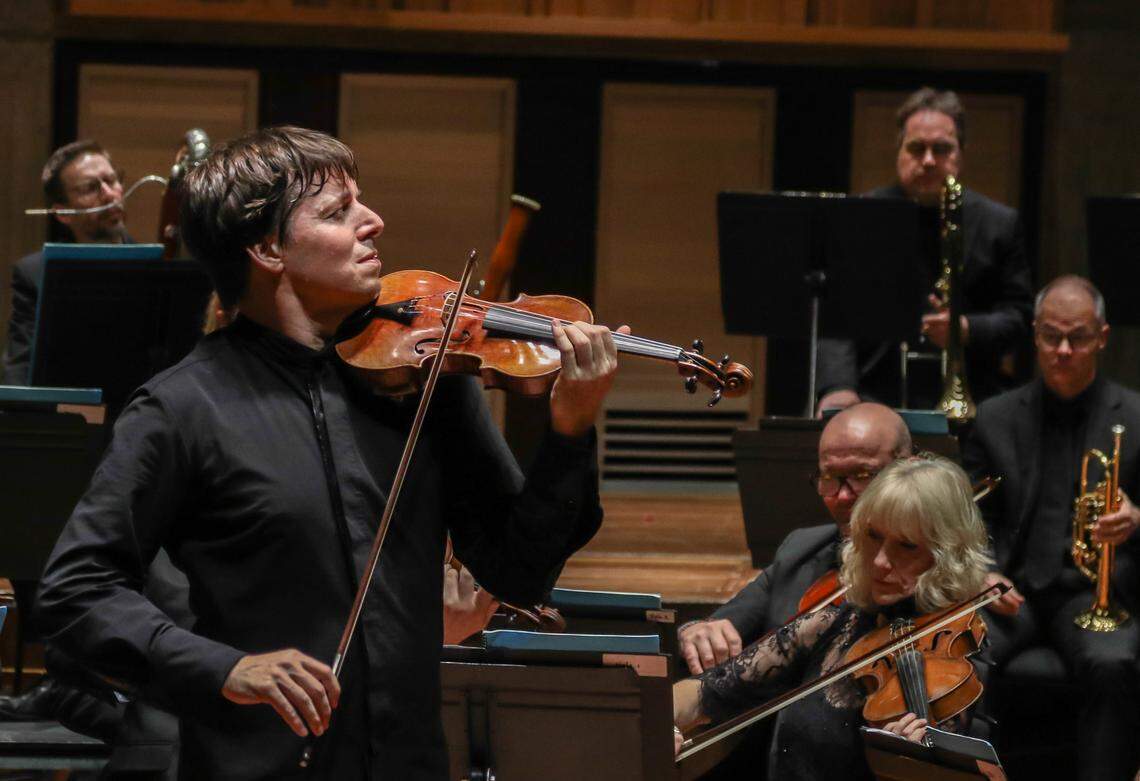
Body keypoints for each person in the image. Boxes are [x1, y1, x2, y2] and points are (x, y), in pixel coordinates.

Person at [35, 125, 623, 780]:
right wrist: (223, 666)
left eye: (360, 202)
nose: (373, 221)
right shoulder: (184, 408)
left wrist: (569, 431)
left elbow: (518, 569)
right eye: (338, 211)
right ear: (265, 247)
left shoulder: (427, 385)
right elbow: (75, 591)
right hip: (257, 766)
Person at [673, 455, 993, 780]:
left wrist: (906, 764)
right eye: (873, 536)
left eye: (906, 546)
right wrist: (663, 724)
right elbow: (712, 690)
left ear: (945, 556)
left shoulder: (962, 654)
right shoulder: (837, 618)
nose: (881, 561)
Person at [962, 274, 1140, 781]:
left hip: (1092, 594)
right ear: (1034, 335)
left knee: (1114, 664)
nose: (1063, 349)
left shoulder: (1138, 417)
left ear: (1102, 337)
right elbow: (971, 518)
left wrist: (1137, 517)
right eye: (1050, 336)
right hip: (1008, 589)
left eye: (1078, 337)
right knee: (962, 652)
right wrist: (982, 573)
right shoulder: (994, 418)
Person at [816, 87, 1033, 414]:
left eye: (942, 149)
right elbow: (835, 313)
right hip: (874, 392)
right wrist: (837, 387)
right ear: (898, 151)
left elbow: (1020, 318)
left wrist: (967, 330)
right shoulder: (862, 215)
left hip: (976, 399)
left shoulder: (998, 224)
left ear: (962, 153)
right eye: (917, 148)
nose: (929, 160)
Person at [678, 402, 912, 675]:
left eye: (862, 475)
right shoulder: (801, 548)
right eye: (829, 477)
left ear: (908, 468)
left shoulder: (937, 562)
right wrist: (695, 631)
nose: (844, 496)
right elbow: (722, 622)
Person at [3, 140, 129, 384]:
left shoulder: (157, 264)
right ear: (62, 213)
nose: (109, 195)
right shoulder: (35, 274)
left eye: (112, 180)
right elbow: (19, 370)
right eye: (90, 188)